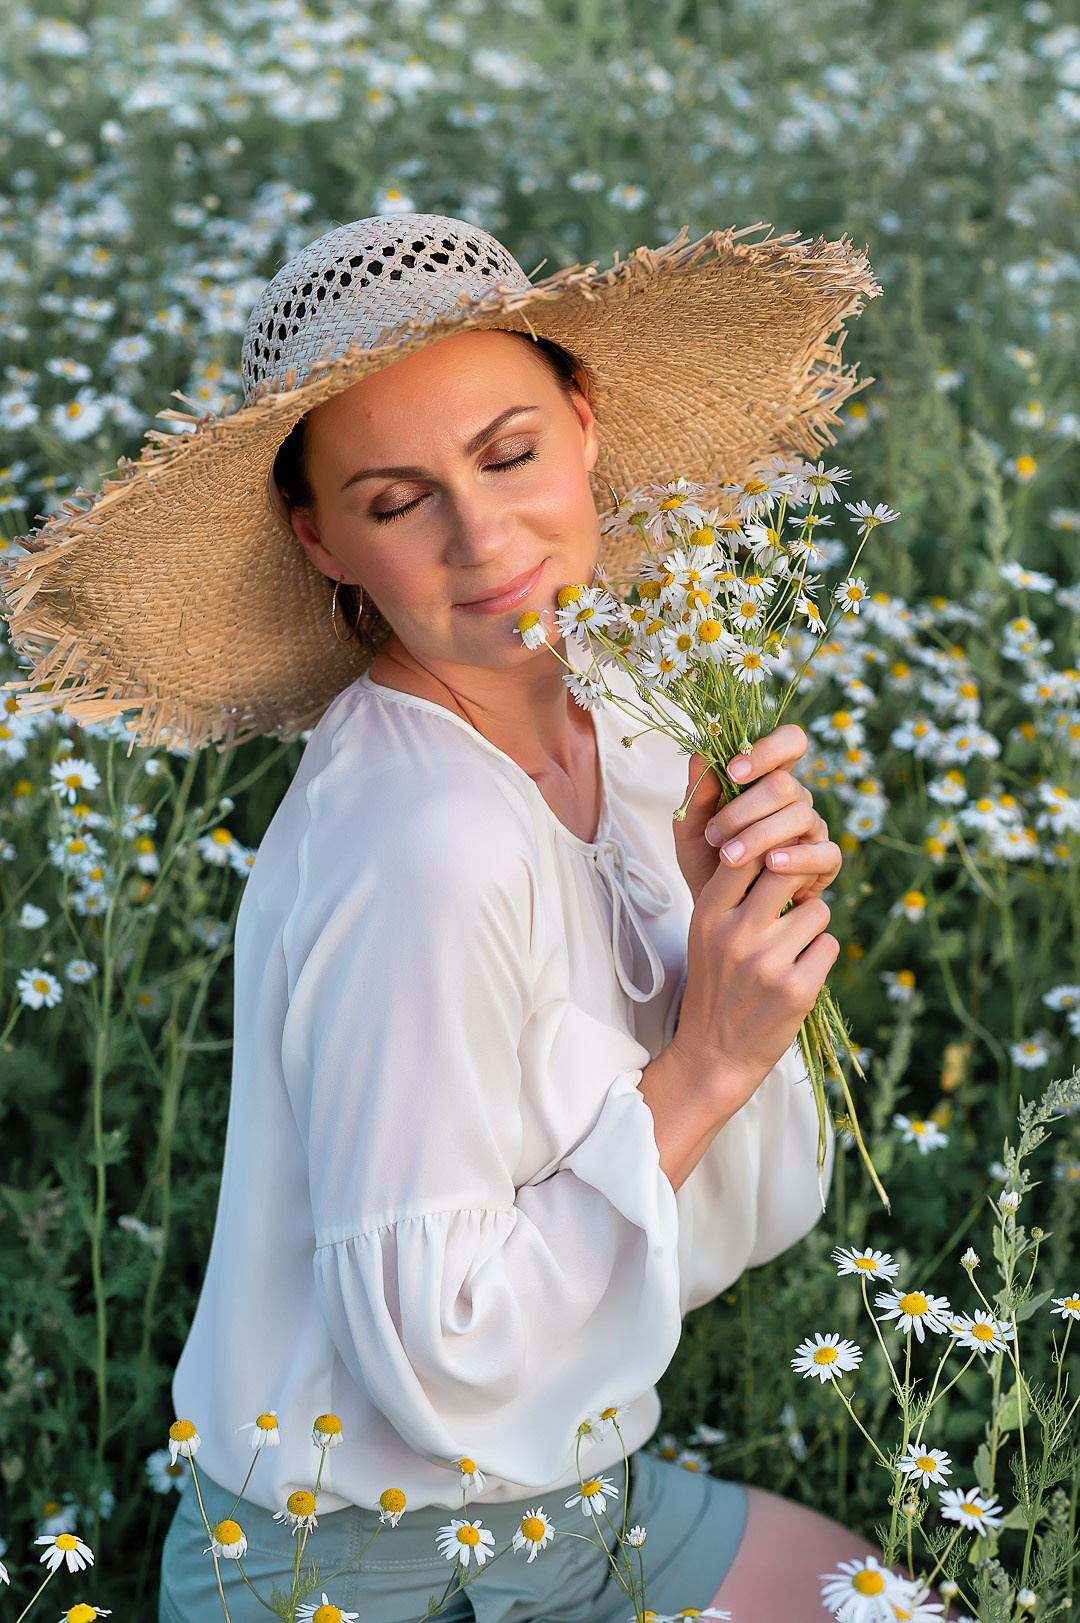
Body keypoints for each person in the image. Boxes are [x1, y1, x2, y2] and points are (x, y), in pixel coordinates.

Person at [0, 214, 884, 1622]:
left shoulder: (641, 720)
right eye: (398, 501)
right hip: (371, 1565)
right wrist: (706, 1059)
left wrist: (737, 940)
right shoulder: (423, 842)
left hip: (585, 1496)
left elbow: (757, 1220)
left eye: (509, 453)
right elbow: (442, 1358)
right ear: (325, 540)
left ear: (584, 425)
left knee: (892, 1598)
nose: (484, 540)